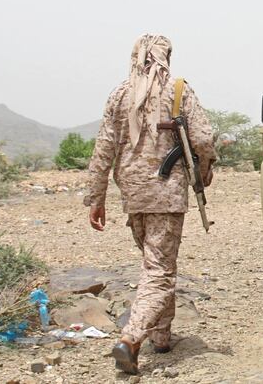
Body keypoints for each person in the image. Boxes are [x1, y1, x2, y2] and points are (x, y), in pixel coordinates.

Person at [85, 34, 216, 375]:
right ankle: (130, 340)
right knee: (159, 272)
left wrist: (96, 197)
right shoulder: (178, 91)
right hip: (167, 195)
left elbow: (103, 149)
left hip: (133, 194)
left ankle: (162, 336)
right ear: (166, 56)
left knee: (154, 264)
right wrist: (203, 171)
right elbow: (202, 138)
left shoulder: (120, 94)